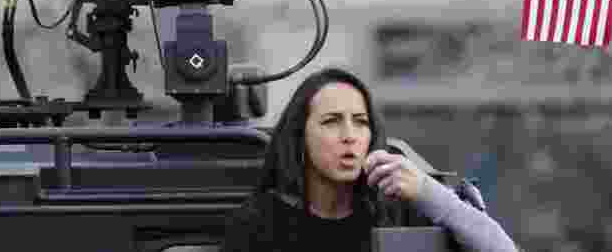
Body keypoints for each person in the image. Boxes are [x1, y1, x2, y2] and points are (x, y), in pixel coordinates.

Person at [221, 67, 518, 252]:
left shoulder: (398, 211)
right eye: (331, 121)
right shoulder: (261, 224)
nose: (350, 135)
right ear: (300, 136)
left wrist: (429, 192)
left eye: (361, 122)